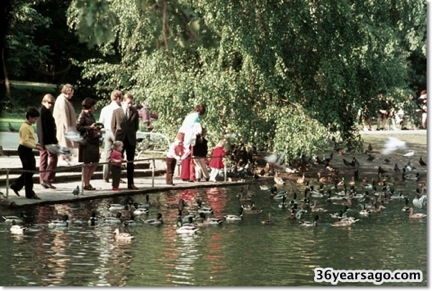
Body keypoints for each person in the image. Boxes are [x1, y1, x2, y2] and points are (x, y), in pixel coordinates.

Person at [10, 108, 44, 199]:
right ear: (30, 117)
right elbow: (24, 141)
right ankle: (28, 192)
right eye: (35, 118)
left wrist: (35, 144)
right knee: (29, 170)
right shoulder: (25, 127)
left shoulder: (29, 126)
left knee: (30, 170)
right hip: (24, 150)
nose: (36, 121)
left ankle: (17, 185)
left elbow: (28, 140)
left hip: (28, 149)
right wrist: (35, 146)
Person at [111, 93, 139, 190]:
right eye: (128, 103)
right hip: (120, 140)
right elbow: (113, 127)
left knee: (130, 161)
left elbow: (136, 127)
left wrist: (130, 134)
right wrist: (118, 137)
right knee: (117, 163)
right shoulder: (116, 112)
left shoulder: (135, 112)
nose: (130, 105)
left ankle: (130, 184)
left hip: (130, 139)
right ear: (123, 101)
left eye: (131, 103)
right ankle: (116, 184)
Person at [76, 98, 101, 190]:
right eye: (93, 105)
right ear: (90, 106)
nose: (95, 107)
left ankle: (87, 181)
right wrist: (89, 127)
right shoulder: (82, 115)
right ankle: (85, 183)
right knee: (87, 163)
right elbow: (78, 127)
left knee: (95, 162)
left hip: (93, 140)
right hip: (87, 141)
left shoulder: (90, 115)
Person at [178, 104, 206, 182]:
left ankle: (184, 175)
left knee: (184, 154)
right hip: (188, 135)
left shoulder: (189, 115)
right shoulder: (196, 117)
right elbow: (196, 129)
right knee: (189, 155)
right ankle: (190, 176)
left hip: (181, 132)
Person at [99, 89, 122, 183]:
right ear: (118, 98)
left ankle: (105, 176)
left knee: (107, 155)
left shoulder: (104, 108)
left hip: (107, 132)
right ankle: (116, 176)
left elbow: (101, 122)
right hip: (116, 132)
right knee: (118, 155)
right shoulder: (119, 109)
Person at [36, 94, 58, 189]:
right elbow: (41, 128)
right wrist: (43, 142)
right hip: (47, 141)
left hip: (45, 140)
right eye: (49, 102)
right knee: (53, 158)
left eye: (52, 103)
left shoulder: (45, 111)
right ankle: (46, 178)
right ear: (44, 101)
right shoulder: (43, 112)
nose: (51, 105)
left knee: (44, 159)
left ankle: (43, 179)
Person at [52, 83, 77, 160]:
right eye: (72, 93)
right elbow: (64, 115)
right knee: (64, 142)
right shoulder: (62, 100)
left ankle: (66, 158)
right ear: (68, 92)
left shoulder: (63, 99)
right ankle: (65, 159)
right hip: (63, 126)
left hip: (64, 126)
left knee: (65, 143)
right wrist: (68, 128)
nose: (72, 95)